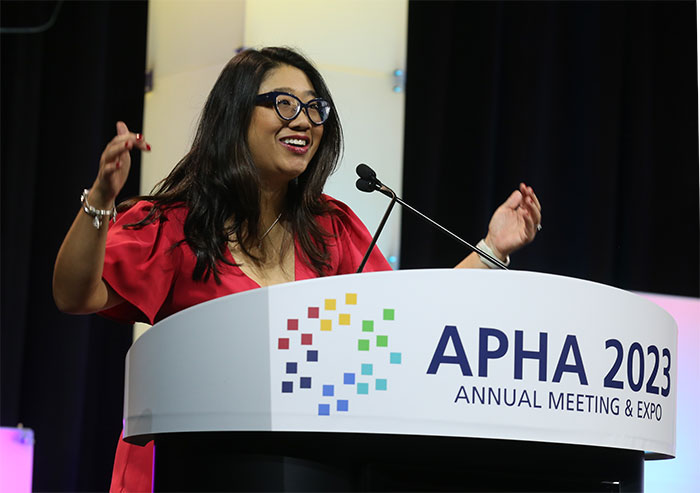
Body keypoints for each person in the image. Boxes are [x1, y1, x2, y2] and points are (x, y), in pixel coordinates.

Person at [53, 47, 542, 492]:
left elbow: (408, 320)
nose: (304, 120)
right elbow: (75, 294)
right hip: (184, 469)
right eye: (284, 103)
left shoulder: (331, 230)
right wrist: (100, 200)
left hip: (305, 469)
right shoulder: (178, 224)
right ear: (236, 115)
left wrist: (491, 249)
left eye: (314, 107)